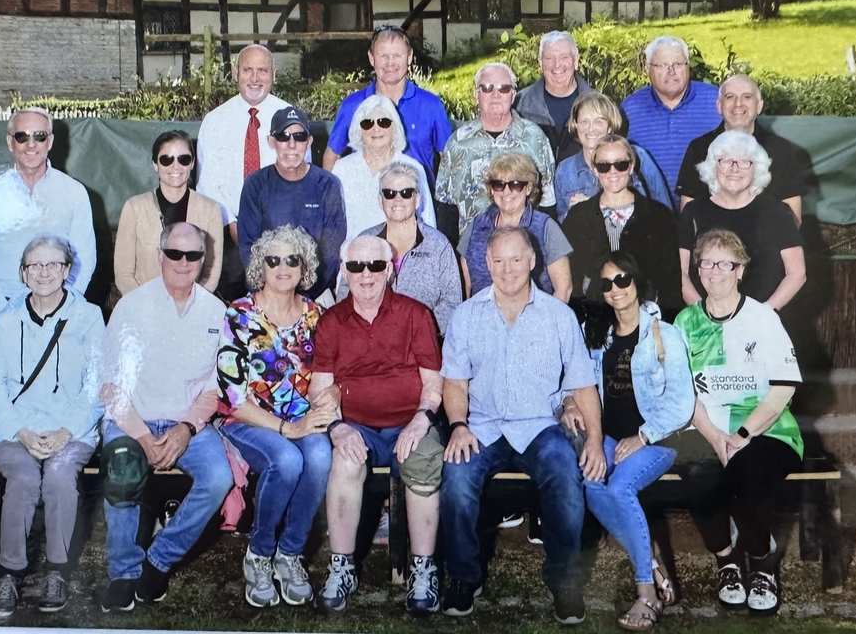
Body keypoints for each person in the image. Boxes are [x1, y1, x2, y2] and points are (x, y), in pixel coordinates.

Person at [440, 226, 604, 625]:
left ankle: (564, 583)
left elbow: (583, 384)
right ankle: (463, 577)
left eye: (517, 260)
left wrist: (595, 442)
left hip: (539, 426)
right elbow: (454, 383)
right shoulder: (467, 315)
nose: (507, 269)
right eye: (498, 261)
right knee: (457, 477)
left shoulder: (559, 316)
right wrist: (459, 425)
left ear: (532, 262)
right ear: (487, 263)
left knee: (566, 475)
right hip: (483, 425)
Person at [99, 222, 233, 612]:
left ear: (203, 260)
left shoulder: (215, 310)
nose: (183, 262)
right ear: (160, 256)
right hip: (132, 420)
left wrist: (187, 429)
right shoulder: (131, 306)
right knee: (122, 470)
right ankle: (123, 572)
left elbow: (215, 386)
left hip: (186, 424)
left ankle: (157, 561)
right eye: (175, 253)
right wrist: (142, 437)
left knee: (219, 477)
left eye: (193, 255)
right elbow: (110, 385)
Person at [310, 235, 445, 614]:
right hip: (358, 425)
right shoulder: (332, 321)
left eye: (374, 266)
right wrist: (337, 428)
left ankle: (423, 569)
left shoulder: (416, 314)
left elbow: (434, 382)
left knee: (420, 461)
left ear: (390, 269)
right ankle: (342, 567)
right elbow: (320, 388)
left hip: (410, 421)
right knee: (345, 460)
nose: (365, 275)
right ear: (344, 272)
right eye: (355, 266)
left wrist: (422, 420)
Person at [673, 229, 803, 615]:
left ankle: (762, 563)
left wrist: (743, 434)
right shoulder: (684, 321)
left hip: (766, 429)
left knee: (746, 474)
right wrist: (715, 437)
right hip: (705, 427)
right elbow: (684, 393)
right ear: (698, 269)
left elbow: (783, 388)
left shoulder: (763, 318)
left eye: (725, 263)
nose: (715, 271)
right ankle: (727, 560)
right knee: (697, 475)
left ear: (740, 269)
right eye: (707, 263)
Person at [0, 235, 105, 616]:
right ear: (23, 273)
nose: (44, 273)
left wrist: (68, 430)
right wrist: (20, 431)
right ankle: (10, 573)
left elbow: (99, 384)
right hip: (16, 431)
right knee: (23, 479)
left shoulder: (88, 318)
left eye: (53, 265)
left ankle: (57, 571)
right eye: (34, 265)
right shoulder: (4, 321)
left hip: (73, 429)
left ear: (68, 270)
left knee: (61, 477)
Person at [570, 252, 694, 631]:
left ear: (637, 282)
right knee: (591, 481)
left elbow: (682, 404)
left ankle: (645, 594)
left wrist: (643, 436)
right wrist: (569, 406)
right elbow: (581, 385)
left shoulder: (663, 334)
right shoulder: (599, 336)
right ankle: (652, 557)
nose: (615, 290)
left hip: (657, 439)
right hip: (608, 436)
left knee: (621, 487)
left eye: (622, 280)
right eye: (606, 284)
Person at [215, 226, 334, 608]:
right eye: (273, 260)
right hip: (248, 421)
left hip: (303, 418)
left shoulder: (318, 315)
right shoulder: (239, 314)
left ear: (305, 267)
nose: (283, 267)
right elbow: (233, 397)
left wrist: (327, 400)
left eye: (292, 259)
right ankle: (260, 553)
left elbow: (333, 376)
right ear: (260, 267)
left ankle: (290, 553)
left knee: (318, 456)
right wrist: (287, 428)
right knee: (286, 459)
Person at [0, 107, 96, 314]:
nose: (31, 144)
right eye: (22, 136)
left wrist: (64, 309)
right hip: (7, 310)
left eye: (39, 136)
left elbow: (84, 258)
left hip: (62, 313)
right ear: (10, 142)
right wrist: (4, 314)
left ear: (50, 141)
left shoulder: (74, 192)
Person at [197, 45, 296, 300]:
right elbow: (207, 182)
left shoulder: (290, 119)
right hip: (228, 234)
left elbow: (299, 176)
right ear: (235, 73)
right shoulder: (215, 121)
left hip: (278, 229)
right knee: (228, 302)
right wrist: (232, 223)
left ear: (274, 74)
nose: (254, 78)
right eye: (247, 70)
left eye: (262, 70)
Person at [678, 131, 806, 311]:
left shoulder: (777, 212)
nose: (734, 168)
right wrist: (704, 314)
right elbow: (680, 273)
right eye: (726, 160)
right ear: (713, 166)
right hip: (706, 321)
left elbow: (797, 273)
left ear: (757, 168)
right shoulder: (692, 212)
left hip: (763, 321)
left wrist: (764, 313)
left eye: (744, 161)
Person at [561, 135, 683, 321]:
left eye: (620, 164)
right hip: (595, 318)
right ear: (594, 169)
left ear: (631, 166)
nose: (613, 172)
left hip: (647, 318)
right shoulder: (578, 217)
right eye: (604, 166)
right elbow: (572, 279)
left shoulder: (658, 216)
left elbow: (671, 281)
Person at [337, 161, 462, 336]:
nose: (397, 200)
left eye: (406, 193)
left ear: (417, 199)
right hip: (367, 343)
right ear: (381, 201)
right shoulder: (364, 241)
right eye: (389, 193)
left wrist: (419, 334)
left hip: (421, 346)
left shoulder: (438, 245)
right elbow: (344, 292)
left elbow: (452, 300)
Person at [237, 106, 346, 301]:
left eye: (299, 136)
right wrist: (271, 293)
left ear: (309, 142)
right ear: (272, 141)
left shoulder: (328, 185)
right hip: (266, 292)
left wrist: (303, 297)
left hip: (315, 293)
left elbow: (331, 253)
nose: (291, 144)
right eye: (283, 136)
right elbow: (248, 248)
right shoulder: (256, 184)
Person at [322, 25, 451, 186]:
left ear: (409, 57)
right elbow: (332, 155)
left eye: (397, 55)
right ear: (371, 58)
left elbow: (449, 158)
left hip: (415, 202)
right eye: (383, 56)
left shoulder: (431, 105)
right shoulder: (353, 105)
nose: (390, 63)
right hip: (365, 201)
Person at [436, 62, 556, 233]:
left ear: (513, 95)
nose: (495, 94)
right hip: (469, 251)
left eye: (504, 88)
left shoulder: (535, 138)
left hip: (522, 252)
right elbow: (446, 208)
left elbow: (548, 203)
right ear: (476, 94)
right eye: (487, 88)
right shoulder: (457, 142)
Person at [677, 74, 805, 224]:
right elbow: (687, 215)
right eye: (730, 97)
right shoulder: (698, 149)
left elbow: (794, 217)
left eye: (747, 97)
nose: (738, 104)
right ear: (719, 105)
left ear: (759, 106)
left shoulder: (781, 150)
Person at [114, 130, 223, 295]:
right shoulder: (134, 208)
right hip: (143, 308)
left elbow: (211, 271)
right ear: (155, 165)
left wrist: (191, 304)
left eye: (183, 159)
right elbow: (123, 274)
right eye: (166, 159)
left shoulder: (211, 210)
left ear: (193, 163)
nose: (176, 166)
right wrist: (144, 307)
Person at [458, 153, 572, 302]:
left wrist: (544, 322)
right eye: (499, 184)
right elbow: (465, 288)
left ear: (528, 188)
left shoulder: (546, 227)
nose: (506, 192)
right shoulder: (475, 227)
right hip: (482, 319)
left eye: (515, 184)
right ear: (491, 189)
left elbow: (564, 289)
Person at [620, 36, 720, 195]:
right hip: (650, 212)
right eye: (662, 65)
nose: (671, 71)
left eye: (678, 64)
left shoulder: (717, 101)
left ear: (688, 66)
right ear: (647, 69)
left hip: (705, 210)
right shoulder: (629, 108)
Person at [553, 91, 673, 220]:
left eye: (599, 121)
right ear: (575, 125)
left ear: (610, 126)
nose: (591, 129)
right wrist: (574, 213)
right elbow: (562, 225)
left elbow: (665, 212)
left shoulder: (638, 157)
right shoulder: (565, 171)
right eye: (584, 122)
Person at [332, 94, 435, 238]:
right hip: (354, 255)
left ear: (395, 127)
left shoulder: (413, 167)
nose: (376, 129)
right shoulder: (342, 169)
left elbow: (428, 221)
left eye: (383, 122)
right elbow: (332, 225)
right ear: (359, 129)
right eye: (368, 123)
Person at [513, 30, 594, 165]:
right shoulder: (519, 104)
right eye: (549, 58)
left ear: (575, 61)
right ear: (540, 63)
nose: (557, 65)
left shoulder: (598, 106)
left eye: (564, 57)